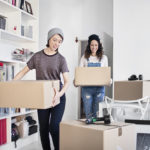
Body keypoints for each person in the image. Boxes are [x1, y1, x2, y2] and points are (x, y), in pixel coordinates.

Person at [13, 28, 69, 150]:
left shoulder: (61, 59)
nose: (57, 43)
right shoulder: (37, 57)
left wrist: (59, 94)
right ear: (48, 39)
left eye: (60, 41)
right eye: (55, 40)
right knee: (43, 129)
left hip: (57, 97)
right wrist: (11, 84)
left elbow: (67, 81)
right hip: (43, 97)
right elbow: (23, 72)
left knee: (53, 127)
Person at [79, 34, 108, 123]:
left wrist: (108, 80)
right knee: (88, 115)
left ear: (99, 45)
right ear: (89, 45)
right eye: (92, 45)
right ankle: (90, 132)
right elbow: (80, 73)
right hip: (87, 89)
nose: (94, 47)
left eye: (96, 45)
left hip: (99, 89)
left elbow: (105, 74)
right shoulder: (84, 57)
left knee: (97, 115)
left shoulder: (103, 58)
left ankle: (96, 131)